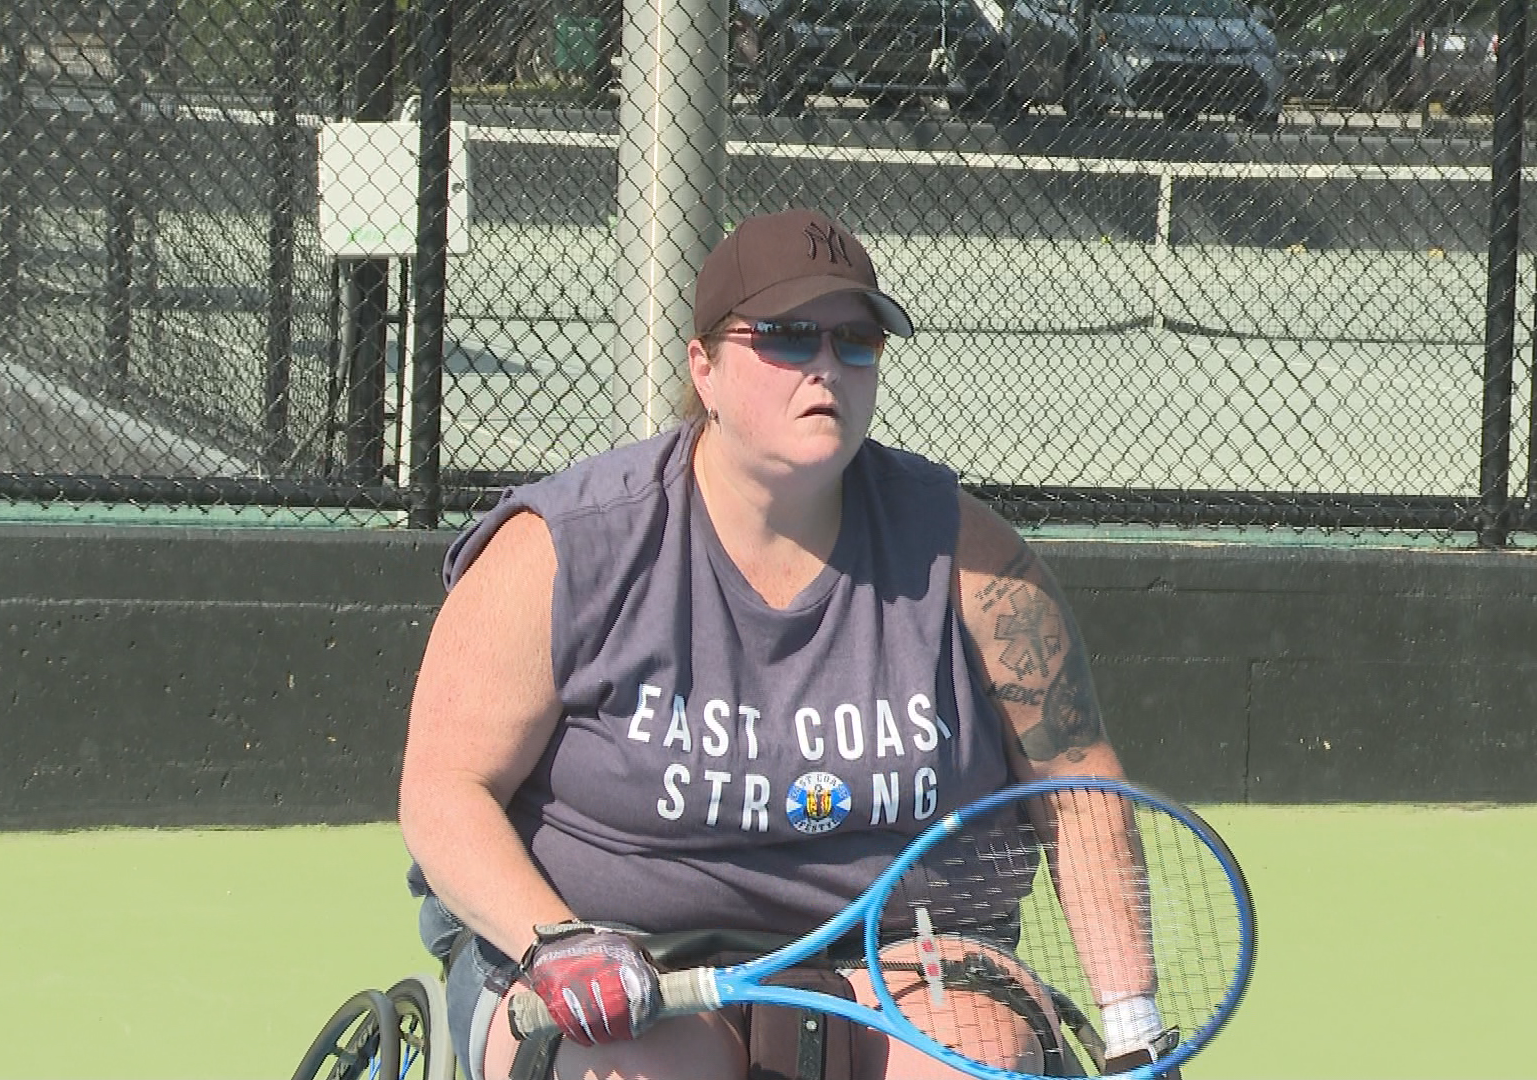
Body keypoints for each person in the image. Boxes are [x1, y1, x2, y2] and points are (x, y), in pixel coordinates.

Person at [398, 208, 1176, 1080]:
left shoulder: (974, 559)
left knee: (979, 1063)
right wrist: (559, 941)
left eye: (854, 342)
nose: (825, 368)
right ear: (705, 367)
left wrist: (1132, 1026)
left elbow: (1074, 787)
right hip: (627, 954)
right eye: (787, 337)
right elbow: (442, 789)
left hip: (912, 957)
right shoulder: (567, 547)